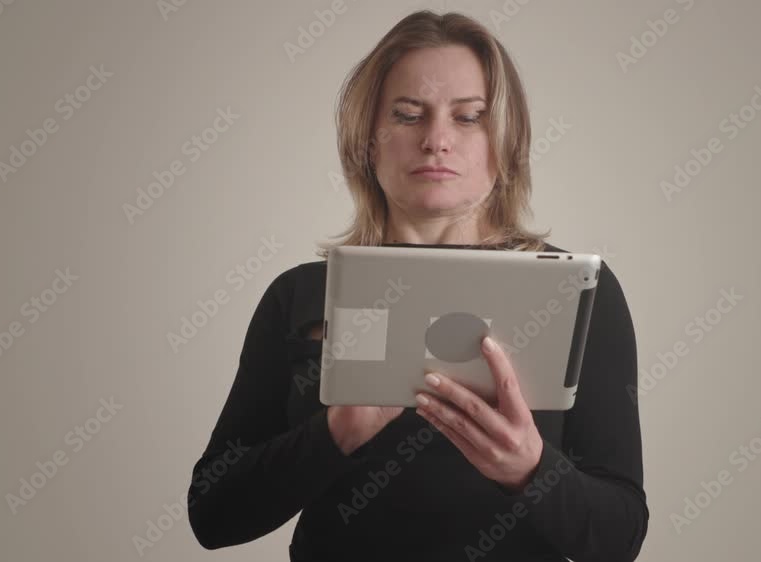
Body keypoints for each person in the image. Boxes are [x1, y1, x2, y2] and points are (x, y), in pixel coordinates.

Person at [187, 10, 648, 562]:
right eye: (408, 116)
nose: (436, 140)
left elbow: (620, 537)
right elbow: (212, 515)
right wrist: (335, 433)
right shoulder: (300, 295)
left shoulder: (575, 292)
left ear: (505, 141)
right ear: (367, 141)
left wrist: (531, 469)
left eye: (468, 117)